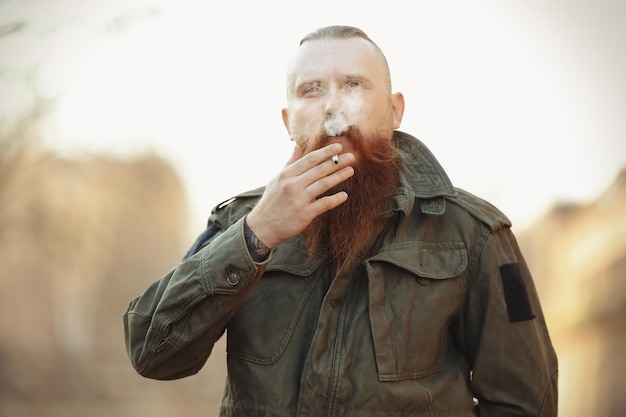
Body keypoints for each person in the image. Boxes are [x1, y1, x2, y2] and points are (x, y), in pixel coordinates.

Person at [124, 25, 558, 416]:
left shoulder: (475, 234)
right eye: (311, 90)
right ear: (287, 121)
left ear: (394, 111)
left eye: (354, 85)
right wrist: (256, 236)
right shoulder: (240, 222)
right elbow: (152, 352)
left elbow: (525, 403)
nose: (334, 109)